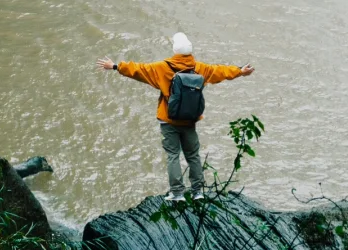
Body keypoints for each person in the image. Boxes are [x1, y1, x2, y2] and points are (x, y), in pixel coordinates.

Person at [97, 32, 254, 201]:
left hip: (168, 119)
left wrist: (114, 66)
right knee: (193, 155)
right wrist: (240, 71)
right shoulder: (200, 68)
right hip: (190, 120)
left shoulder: (162, 67)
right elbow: (220, 71)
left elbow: (137, 69)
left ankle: (177, 193)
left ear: (175, 50)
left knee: (173, 155)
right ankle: (198, 192)